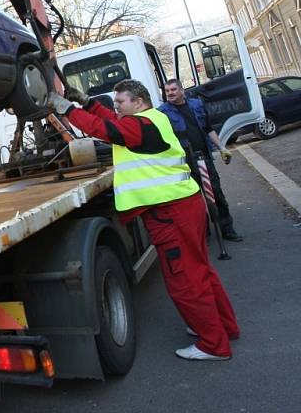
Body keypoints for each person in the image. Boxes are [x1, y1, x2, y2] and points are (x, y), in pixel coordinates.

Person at [47, 80, 239, 361]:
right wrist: (87, 102)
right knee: (200, 271)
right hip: (184, 205)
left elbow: (105, 129)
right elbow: (111, 120)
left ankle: (213, 344)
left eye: (121, 102)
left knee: (185, 280)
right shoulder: (151, 119)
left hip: (170, 213)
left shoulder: (138, 126)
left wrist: (66, 110)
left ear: (138, 101)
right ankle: (224, 327)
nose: (117, 108)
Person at [158, 79, 241, 241]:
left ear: (182, 90)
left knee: (216, 193)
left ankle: (227, 229)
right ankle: (204, 234)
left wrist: (222, 148)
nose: (170, 93)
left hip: (203, 157)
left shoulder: (197, 105)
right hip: (183, 163)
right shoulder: (162, 113)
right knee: (193, 200)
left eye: (173, 89)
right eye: (167, 91)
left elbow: (208, 129)